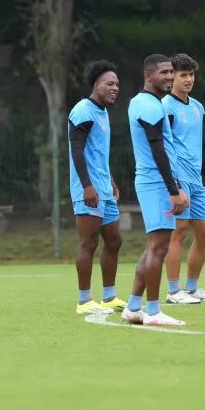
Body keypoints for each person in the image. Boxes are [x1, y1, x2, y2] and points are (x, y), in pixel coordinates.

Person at [122, 54, 189, 327]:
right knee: (158, 248)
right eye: (163, 72)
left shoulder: (148, 103)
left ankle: (133, 307)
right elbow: (158, 150)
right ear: (148, 75)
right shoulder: (149, 106)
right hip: (156, 183)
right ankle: (152, 311)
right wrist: (173, 189)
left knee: (154, 247)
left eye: (171, 71)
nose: (169, 76)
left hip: (159, 182)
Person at [162, 53, 205, 305]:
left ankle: (192, 288)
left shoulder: (197, 107)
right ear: (172, 76)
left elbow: (202, 145)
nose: (188, 79)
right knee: (179, 232)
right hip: (178, 180)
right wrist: (174, 184)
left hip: (197, 181)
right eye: (183, 75)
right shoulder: (166, 106)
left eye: (191, 74)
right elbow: (163, 146)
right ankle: (174, 291)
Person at [68, 60, 126, 315]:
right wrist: (87, 186)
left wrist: (110, 180)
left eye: (116, 84)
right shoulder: (83, 110)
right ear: (96, 85)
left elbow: (97, 153)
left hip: (103, 187)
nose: (114, 88)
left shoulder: (103, 113)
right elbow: (77, 150)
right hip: (88, 189)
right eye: (109, 84)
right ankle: (84, 301)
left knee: (114, 241)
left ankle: (110, 296)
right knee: (88, 243)